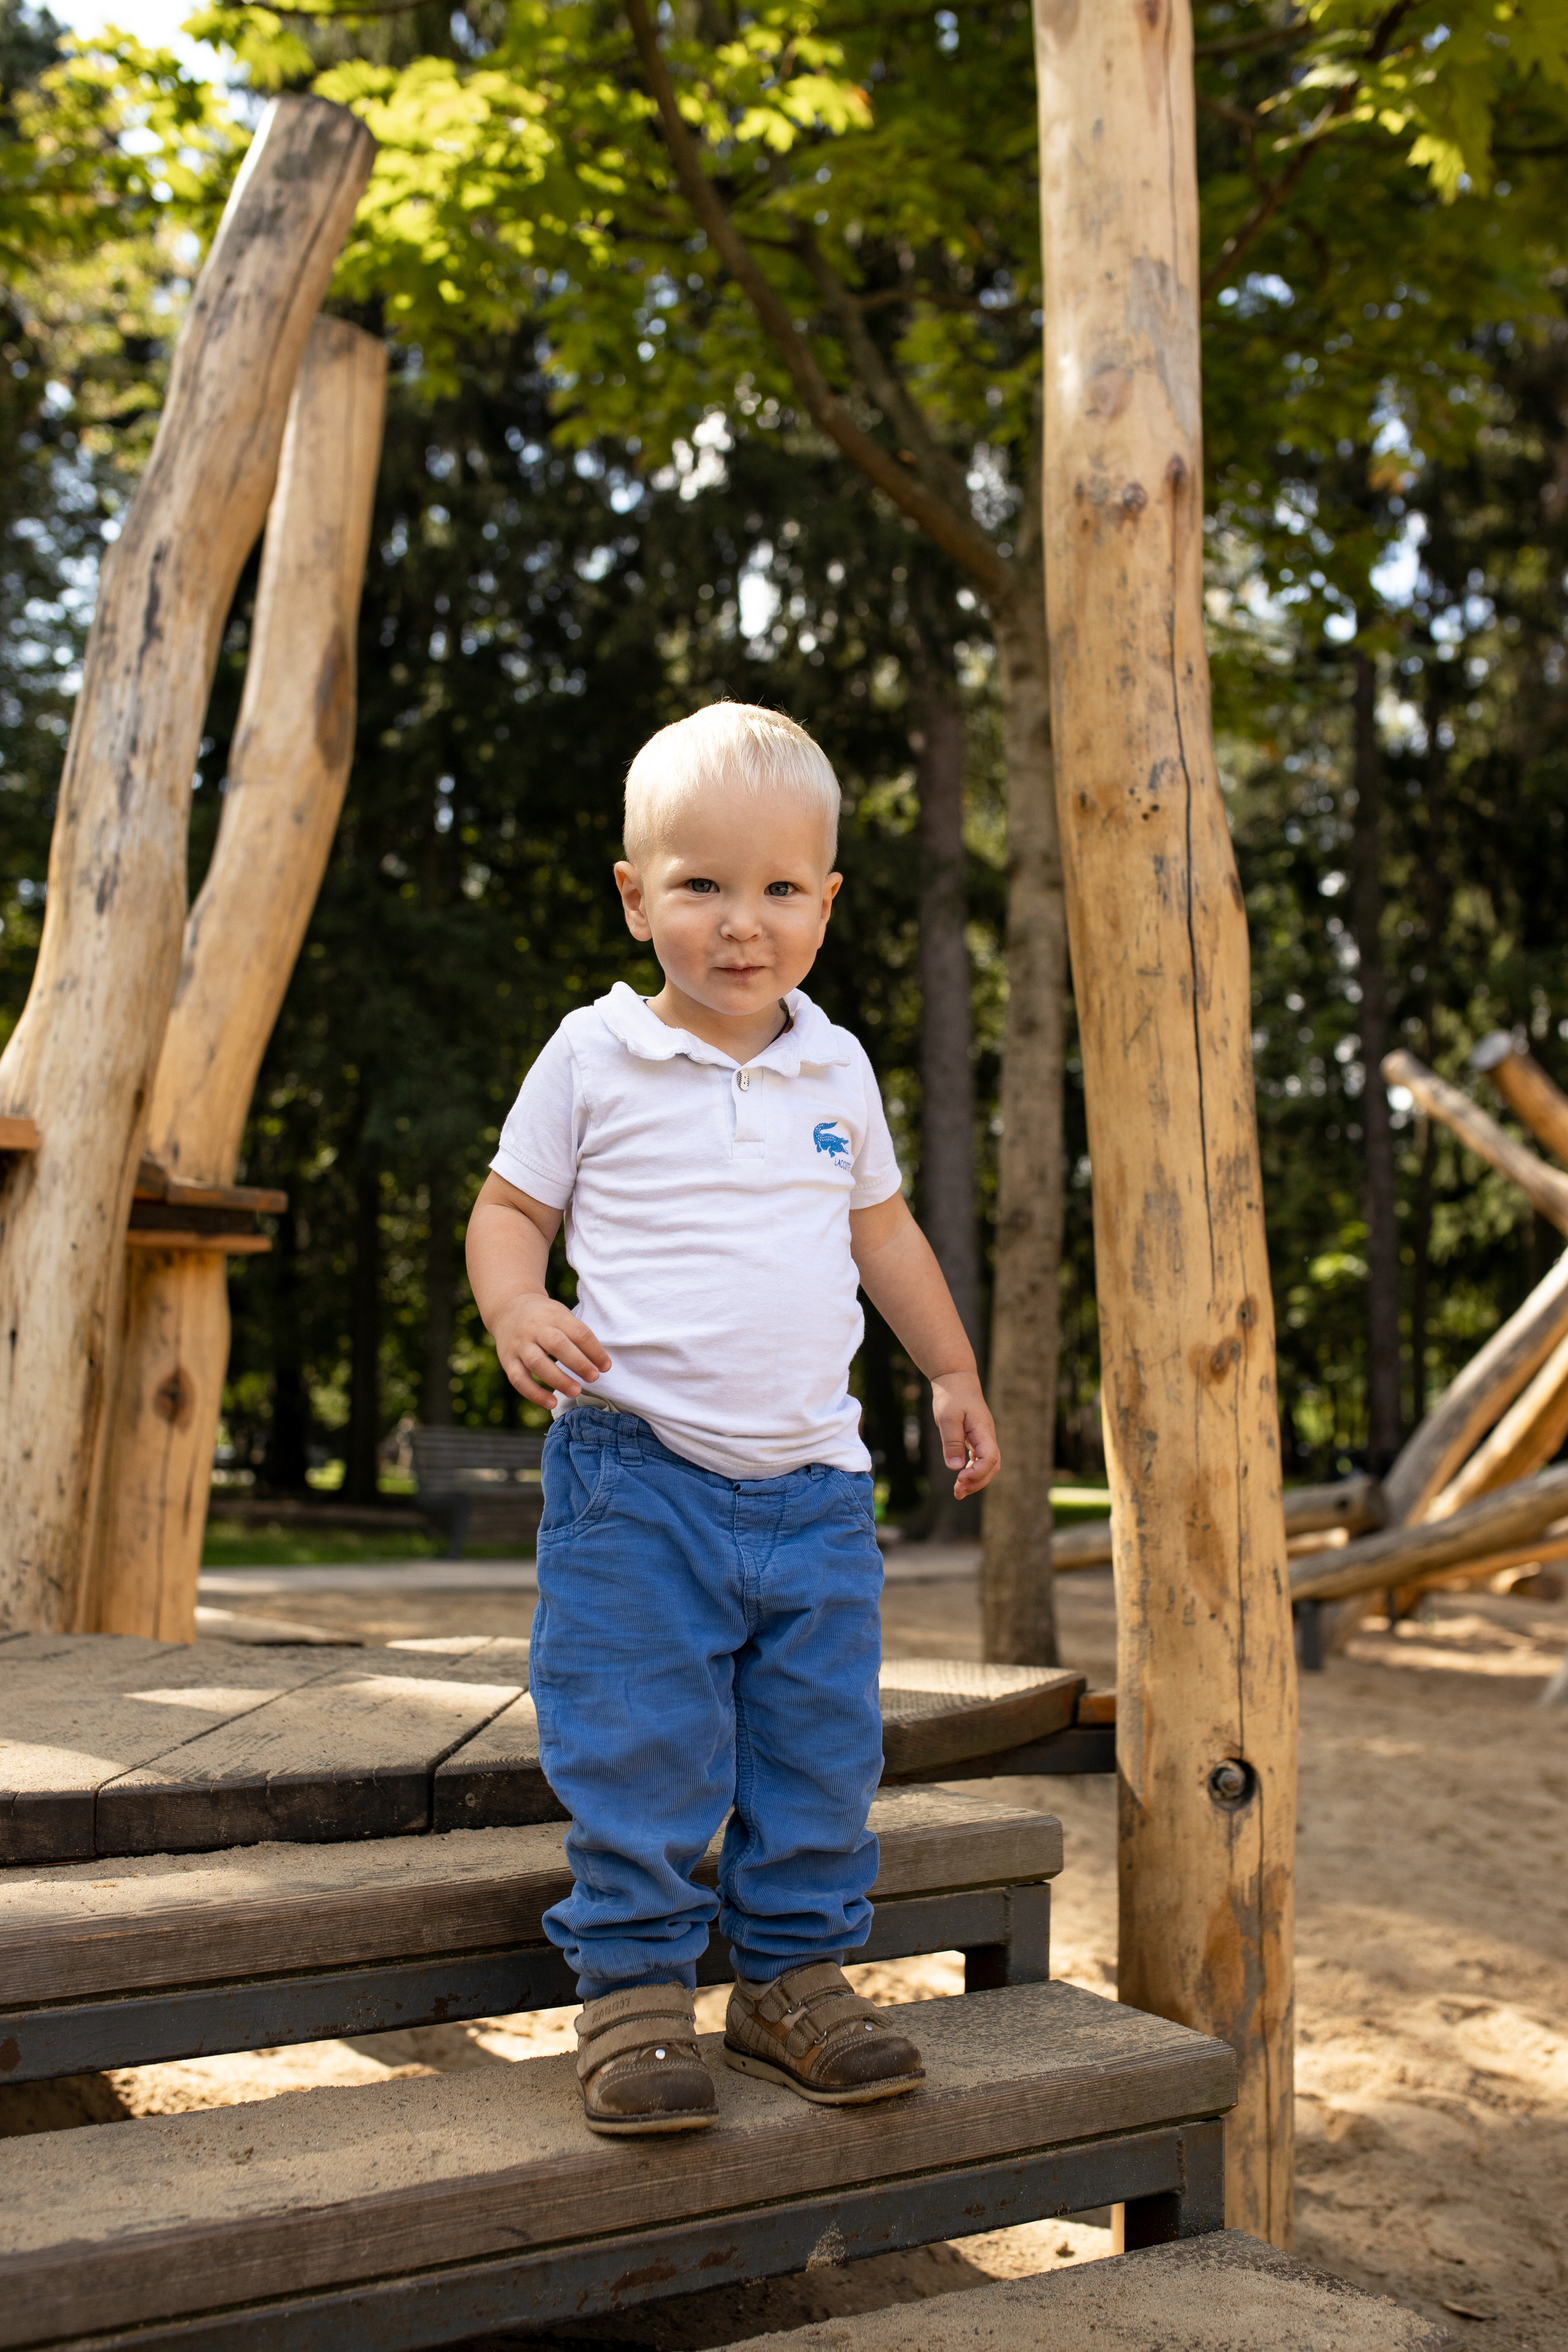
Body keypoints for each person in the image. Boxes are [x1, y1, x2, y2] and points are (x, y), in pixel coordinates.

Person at [466, 701, 1000, 2136]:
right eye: (701, 886)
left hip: (816, 1483)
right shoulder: (592, 1056)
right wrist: (516, 1306)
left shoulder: (837, 1070)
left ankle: (790, 1979)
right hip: (634, 1472)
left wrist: (947, 1370)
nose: (741, 923)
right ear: (636, 896)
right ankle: (635, 1985)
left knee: (819, 1745)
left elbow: (881, 1238)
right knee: (637, 1733)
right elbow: (511, 1210)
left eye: (777, 889)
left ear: (825, 901)